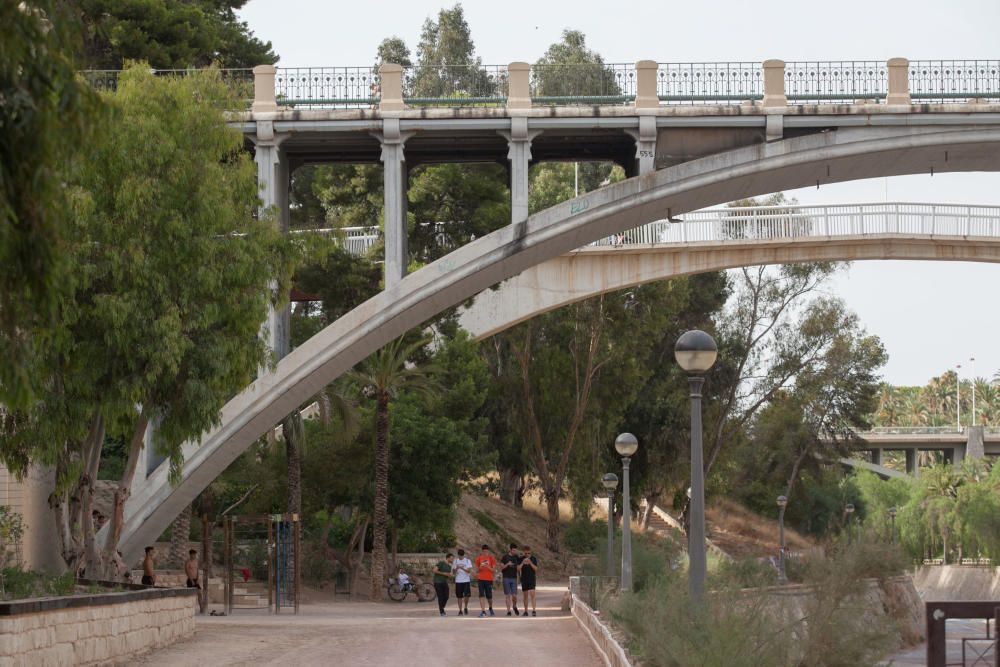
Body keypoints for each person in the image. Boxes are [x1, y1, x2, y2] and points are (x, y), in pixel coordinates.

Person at [474, 544, 497, 617]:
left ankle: (490, 608)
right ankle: (483, 611)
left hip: (489, 579)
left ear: (488, 551)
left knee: (489, 596)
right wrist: (480, 567)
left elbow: (493, 570)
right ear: (482, 551)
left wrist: (487, 566)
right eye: (484, 551)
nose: (485, 553)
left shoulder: (491, 559)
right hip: (480, 579)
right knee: (481, 595)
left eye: (486, 551)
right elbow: (476, 570)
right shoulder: (478, 559)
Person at [500, 543, 521, 616]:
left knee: (514, 595)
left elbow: (518, 568)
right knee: (507, 595)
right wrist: (507, 564)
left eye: (516, 550)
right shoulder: (505, 557)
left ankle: (514, 606)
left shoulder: (516, 557)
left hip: (514, 578)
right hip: (506, 577)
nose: (515, 551)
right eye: (514, 550)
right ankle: (508, 611)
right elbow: (501, 567)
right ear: (510, 550)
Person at [518, 545, 539, 617]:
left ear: (531, 553)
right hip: (524, 579)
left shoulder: (533, 559)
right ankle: (526, 611)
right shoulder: (521, 559)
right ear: (524, 553)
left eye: (528, 553)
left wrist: (530, 563)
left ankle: (534, 610)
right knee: (525, 595)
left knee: (532, 594)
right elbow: (518, 569)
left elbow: (536, 569)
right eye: (526, 553)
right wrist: (522, 563)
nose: (527, 555)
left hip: (532, 579)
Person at [453, 548, 473, 615]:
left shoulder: (467, 561)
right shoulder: (455, 561)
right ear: (458, 555)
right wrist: (456, 568)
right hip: (458, 581)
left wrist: (462, 568)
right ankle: (460, 610)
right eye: (459, 556)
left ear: (463, 555)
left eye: (462, 556)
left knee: (466, 596)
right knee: (459, 596)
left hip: (466, 580)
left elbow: (469, 571)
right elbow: (453, 572)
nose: (460, 557)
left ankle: (465, 607)